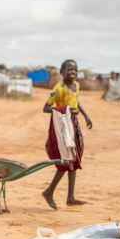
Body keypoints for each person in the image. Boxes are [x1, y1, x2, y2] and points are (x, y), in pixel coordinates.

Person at [42, 59, 93, 210]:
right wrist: (66, 110)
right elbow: (46, 108)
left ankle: (70, 197)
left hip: (74, 124)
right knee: (66, 160)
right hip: (63, 127)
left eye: (75, 70)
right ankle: (49, 191)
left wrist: (85, 115)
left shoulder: (76, 85)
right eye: (69, 70)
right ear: (61, 72)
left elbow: (76, 102)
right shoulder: (58, 89)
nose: (73, 72)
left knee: (74, 159)